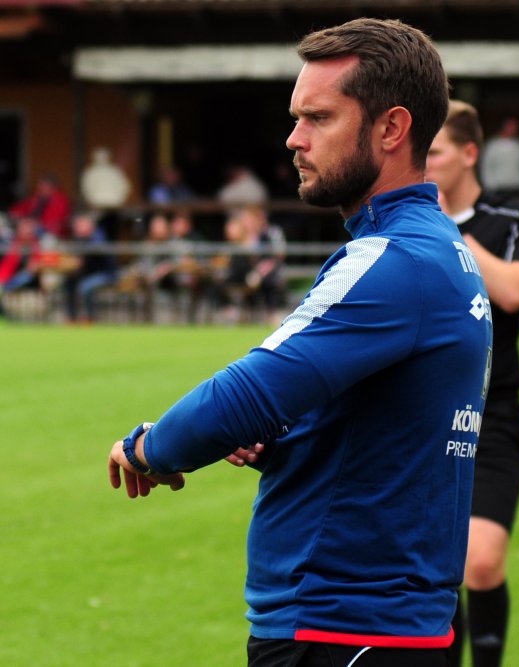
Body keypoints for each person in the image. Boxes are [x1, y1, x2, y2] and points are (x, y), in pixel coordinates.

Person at [108, 18, 493, 667]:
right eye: (296, 117)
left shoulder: (396, 258)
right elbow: (387, 430)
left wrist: (150, 447)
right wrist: (286, 442)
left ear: (391, 128)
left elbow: (248, 393)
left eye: (318, 117)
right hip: (379, 625)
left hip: (341, 628)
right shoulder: (433, 248)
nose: (294, 139)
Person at [426, 100, 519, 667]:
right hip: (426, 417)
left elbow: (514, 291)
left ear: (469, 154)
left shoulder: (515, 219)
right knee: (439, 568)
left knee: (481, 562)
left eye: (434, 152)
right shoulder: (409, 224)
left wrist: (453, 233)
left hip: (493, 416)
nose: (422, 164)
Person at [63, 211, 118, 323]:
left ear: (89, 226)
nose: (76, 228)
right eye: (76, 225)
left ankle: (90, 318)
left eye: (80, 225)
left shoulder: (98, 237)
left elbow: (91, 255)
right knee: (69, 281)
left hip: (108, 274)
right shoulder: (79, 240)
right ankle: (71, 317)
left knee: (85, 286)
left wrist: (80, 260)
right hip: (89, 273)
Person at [479, 116, 519, 199]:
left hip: (518, 189)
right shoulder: (493, 145)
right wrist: (489, 185)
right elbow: (486, 166)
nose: (514, 129)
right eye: (511, 126)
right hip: (498, 189)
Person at [9, 172, 71, 239]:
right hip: (29, 230)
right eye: (39, 185)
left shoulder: (60, 201)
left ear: (52, 187)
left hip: (51, 235)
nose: (39, 188)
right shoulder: (37, 198)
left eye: (42, 185)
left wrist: (32, 224)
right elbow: (18, 209)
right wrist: (19, 217)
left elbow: (53, 222)